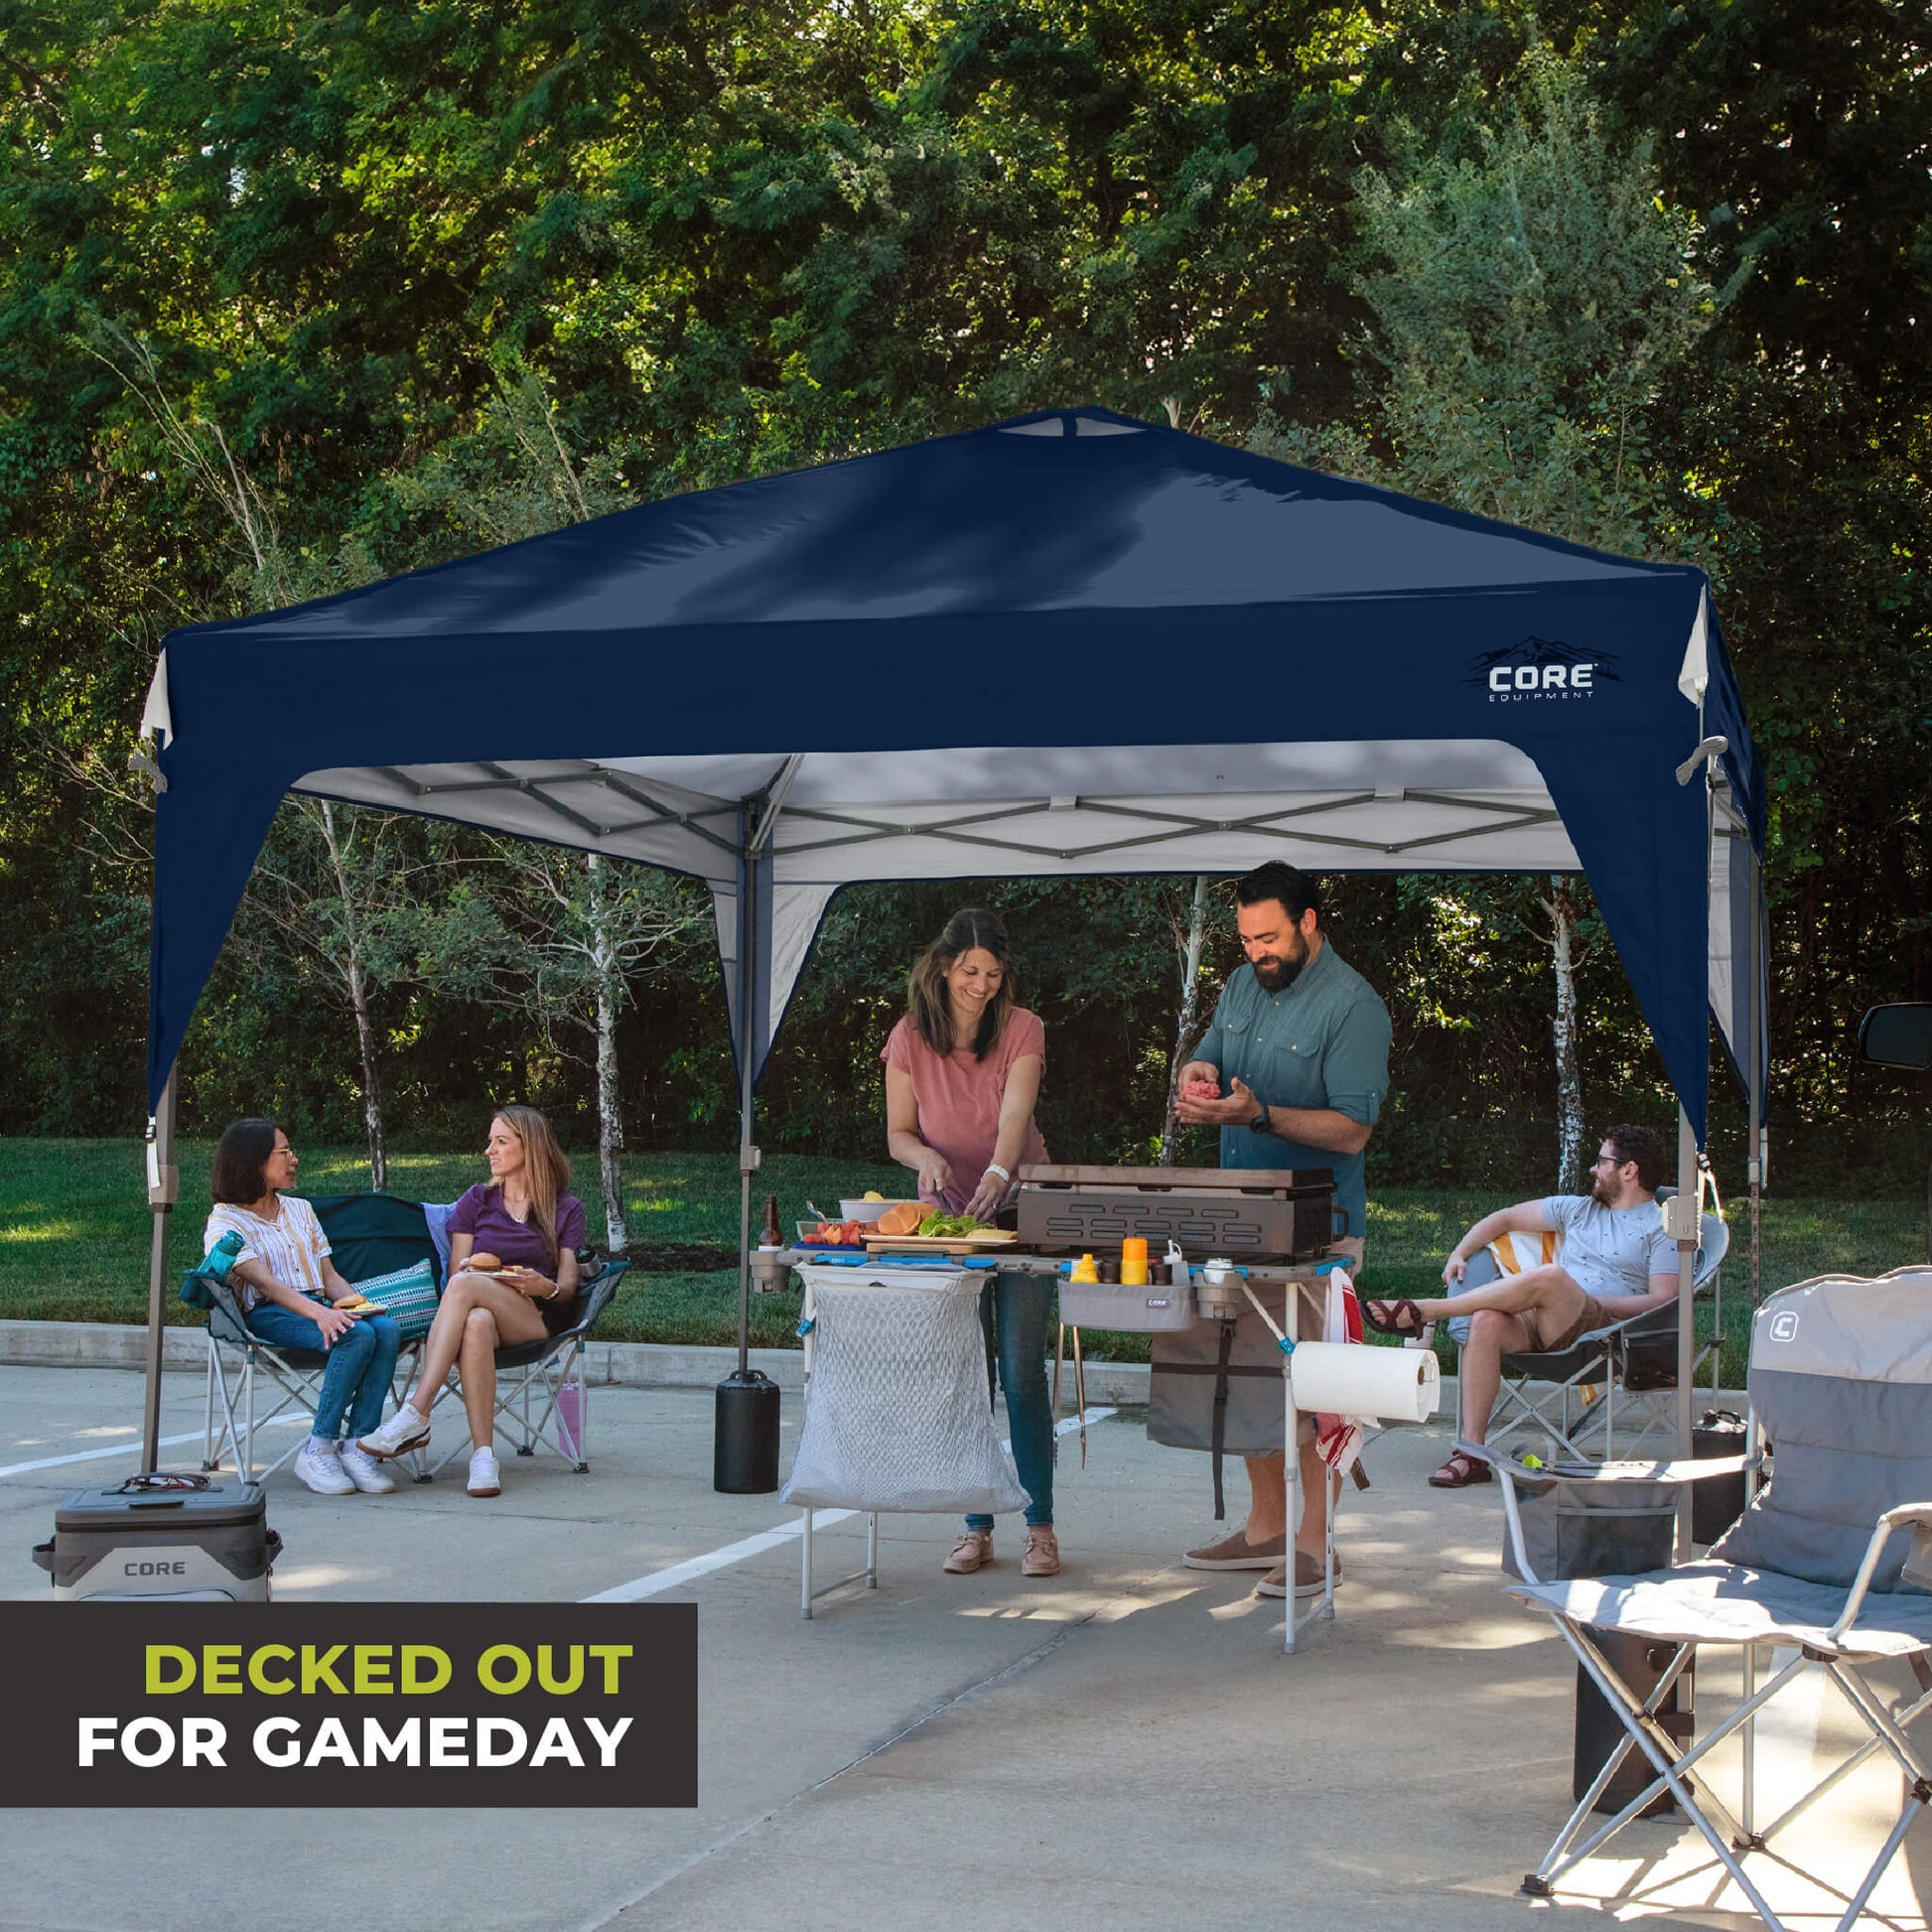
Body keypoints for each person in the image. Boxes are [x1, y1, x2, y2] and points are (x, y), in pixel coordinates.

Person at [1171, 862, 1392, 1600]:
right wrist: (1199, 1076)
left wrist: (1259, 1114)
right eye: (1245, 939)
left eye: (1268, 937)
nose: (1255, 951)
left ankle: (1315, 1544)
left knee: (1309, 1388)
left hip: (1317, 1235)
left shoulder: (1354, 1006)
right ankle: (1265, 1529)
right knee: (1244, 1382)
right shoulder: (1242, 985)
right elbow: (1212, 1050)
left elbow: (1354, 1129)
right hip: (1237, 1222)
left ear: (1308, 923)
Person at [883, 906, 1059, 1579]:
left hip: (1020, 1210)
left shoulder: (1023, 1029)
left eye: (991, 973)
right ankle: (975, 1526)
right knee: (966, 1374)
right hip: (949, 1222)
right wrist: (921, 1157)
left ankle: (1039, 1530)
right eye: (968, 971)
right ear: (943, 966)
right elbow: (898, 1131)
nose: (980, 984)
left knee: (1018, 1372)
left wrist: (994, 1171)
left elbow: (1015, 1115)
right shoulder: (907, 1038)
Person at [1363, 1123, 1680, 1487]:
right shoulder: (1578, 1210)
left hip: (1600, 1330)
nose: (1593, 1169)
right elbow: (1507, 1217)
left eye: (1601, 1161)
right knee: (1485, 1321)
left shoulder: (1661, 1227)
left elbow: (1663, 1300)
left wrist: (1590, 1299)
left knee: (1550, 1277)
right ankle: (1472, 1454)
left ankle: (1427, 1312)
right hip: (1546, 1321)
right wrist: (1459, 1252)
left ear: (1629, 1170)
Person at [359, 1105, 586, 1497]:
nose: (489, 1150)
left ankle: (417, 1411)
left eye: (500, 1141)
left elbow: (566, 1287)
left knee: (466, 1287)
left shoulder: (566, 1208)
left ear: (529, 1147)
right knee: (476, 1318)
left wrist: (540, 1285)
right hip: (483, 1314)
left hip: (536, 1317)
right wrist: (479, 1275)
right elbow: (455, 1273)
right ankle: (484, 1458)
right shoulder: (477, 1200)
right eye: (490, 1141)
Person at [205, 1119, 403, 1497]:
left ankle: (360, 1447)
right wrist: (322, 1314)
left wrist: (361, 1304)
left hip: (315, 1305)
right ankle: (319, 1447)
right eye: (285, 1152)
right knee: (354, 1335)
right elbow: (264, 1283)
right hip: (267, 1314)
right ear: (254, 1162)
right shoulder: (225, 1219)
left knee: (385, 1329)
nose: (294, 1159)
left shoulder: (300, 1210)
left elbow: (329, 1277)